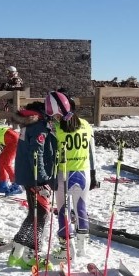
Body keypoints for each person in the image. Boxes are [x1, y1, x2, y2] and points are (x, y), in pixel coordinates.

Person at [45, 91, 99, 259]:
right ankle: (82, 248)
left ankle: (65, 250)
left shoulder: (55, 129)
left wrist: (50, 177)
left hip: (63, 174)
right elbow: (92, 152)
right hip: (84, 172)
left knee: (63, 211)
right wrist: (94, 174)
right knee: (81, 209)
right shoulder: (86, 124)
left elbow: (51, 155)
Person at [7, 101, 56, 269]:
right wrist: (42, 179)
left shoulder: (29, 124)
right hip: (34, 177)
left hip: (28, 175)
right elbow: (36, 153)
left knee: (33, 214)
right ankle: (31, 256)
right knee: (41, 215)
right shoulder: (38, 126)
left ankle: (16, 252)